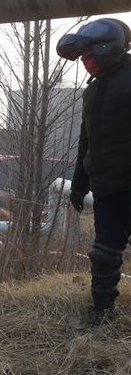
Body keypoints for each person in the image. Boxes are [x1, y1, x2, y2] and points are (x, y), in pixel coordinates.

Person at [56, 17, 131, 324]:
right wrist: (78, 184)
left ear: (107, 50)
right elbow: (86, 141)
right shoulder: (93, 92)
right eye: (82, 57)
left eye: (89, 56)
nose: (86, 63)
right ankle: (101, 313)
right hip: (105, 186)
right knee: (103, 255)